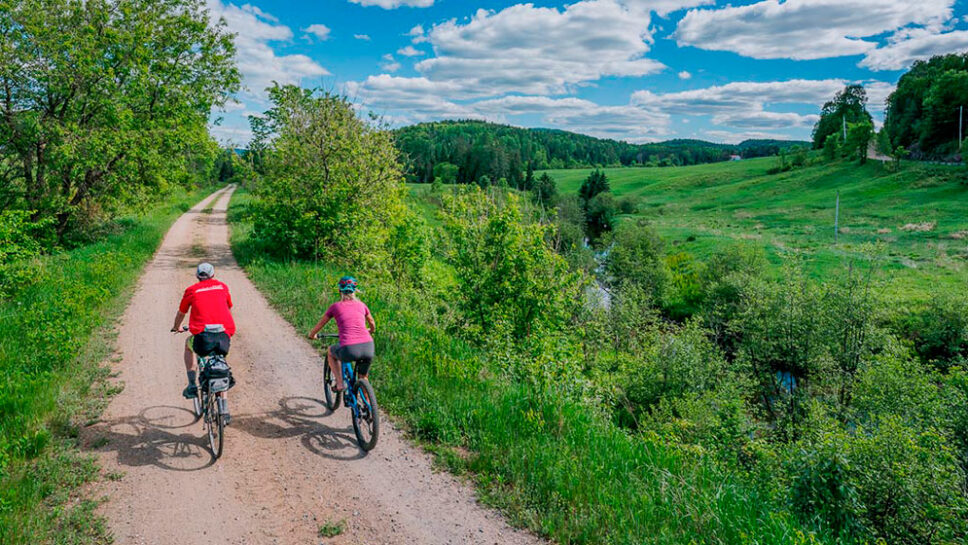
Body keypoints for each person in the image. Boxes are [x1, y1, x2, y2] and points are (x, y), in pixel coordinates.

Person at [170, 263, 236, 421]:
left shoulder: (192, 290)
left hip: (203, 336)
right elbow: (228, 307)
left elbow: (181, 313)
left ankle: (192, 384)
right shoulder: (222, 287)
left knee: (189, 344)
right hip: (224, 334)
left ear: (197, 276)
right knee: (220, 362)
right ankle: (224, 408)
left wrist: (176, 327)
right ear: (213, 274)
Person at [307, 276, 376, 392]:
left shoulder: (335, 307)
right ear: (355, 291)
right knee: (363, 377)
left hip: (349, 348)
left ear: (339, 290)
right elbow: (372, 323)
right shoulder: (362, 305)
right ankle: (369, 407)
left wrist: (312, 334)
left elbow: (320, 324)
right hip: (368, 346)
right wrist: (371, 330)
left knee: (331, 352)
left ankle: (339, 384)